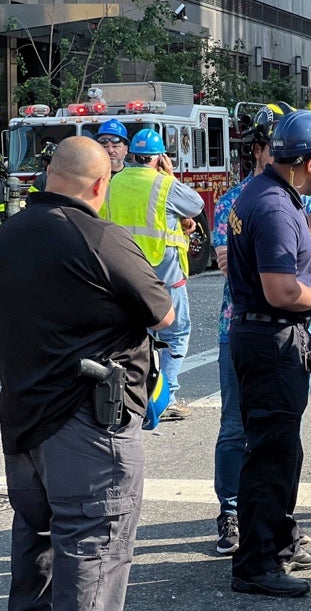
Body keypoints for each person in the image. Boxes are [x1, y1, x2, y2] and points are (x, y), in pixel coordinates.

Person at [0, 137, 175, 610]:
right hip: (87, 424)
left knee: (36, 550)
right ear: (101, 183)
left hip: (23, 421)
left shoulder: (10, 232)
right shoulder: (99, 236)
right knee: (94, 553)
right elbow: (163, 313)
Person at [212, 102, 311, 556]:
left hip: (263, 336)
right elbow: (282, 291)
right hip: (270, 338)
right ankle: (258, 559)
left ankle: (270, 537)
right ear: (309, 163)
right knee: (268, 450)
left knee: (275, 446)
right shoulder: (272, 205)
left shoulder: (267, 197)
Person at [101, 128, 204, 421]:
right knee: (175, 334)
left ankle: (134, 396)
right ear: (158, 157)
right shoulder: (164, 185)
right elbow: (195, 205)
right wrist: (169, 175)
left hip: (122, 276)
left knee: (136, 337)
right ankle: (166, 397)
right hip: (165, 276)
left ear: (132, 154)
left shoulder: (112, 183)